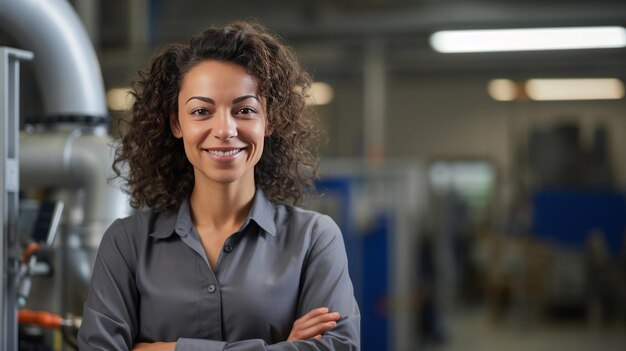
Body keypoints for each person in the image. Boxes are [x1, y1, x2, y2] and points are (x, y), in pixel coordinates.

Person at [78, 21, 360, 351]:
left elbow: (337, 347)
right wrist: (279, 347)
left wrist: (161, 349)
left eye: (244, 110)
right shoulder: (127, 243)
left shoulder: (314, 238)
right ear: (176, 123)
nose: (224, 129)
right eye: (201, 111)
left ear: (267, 120)